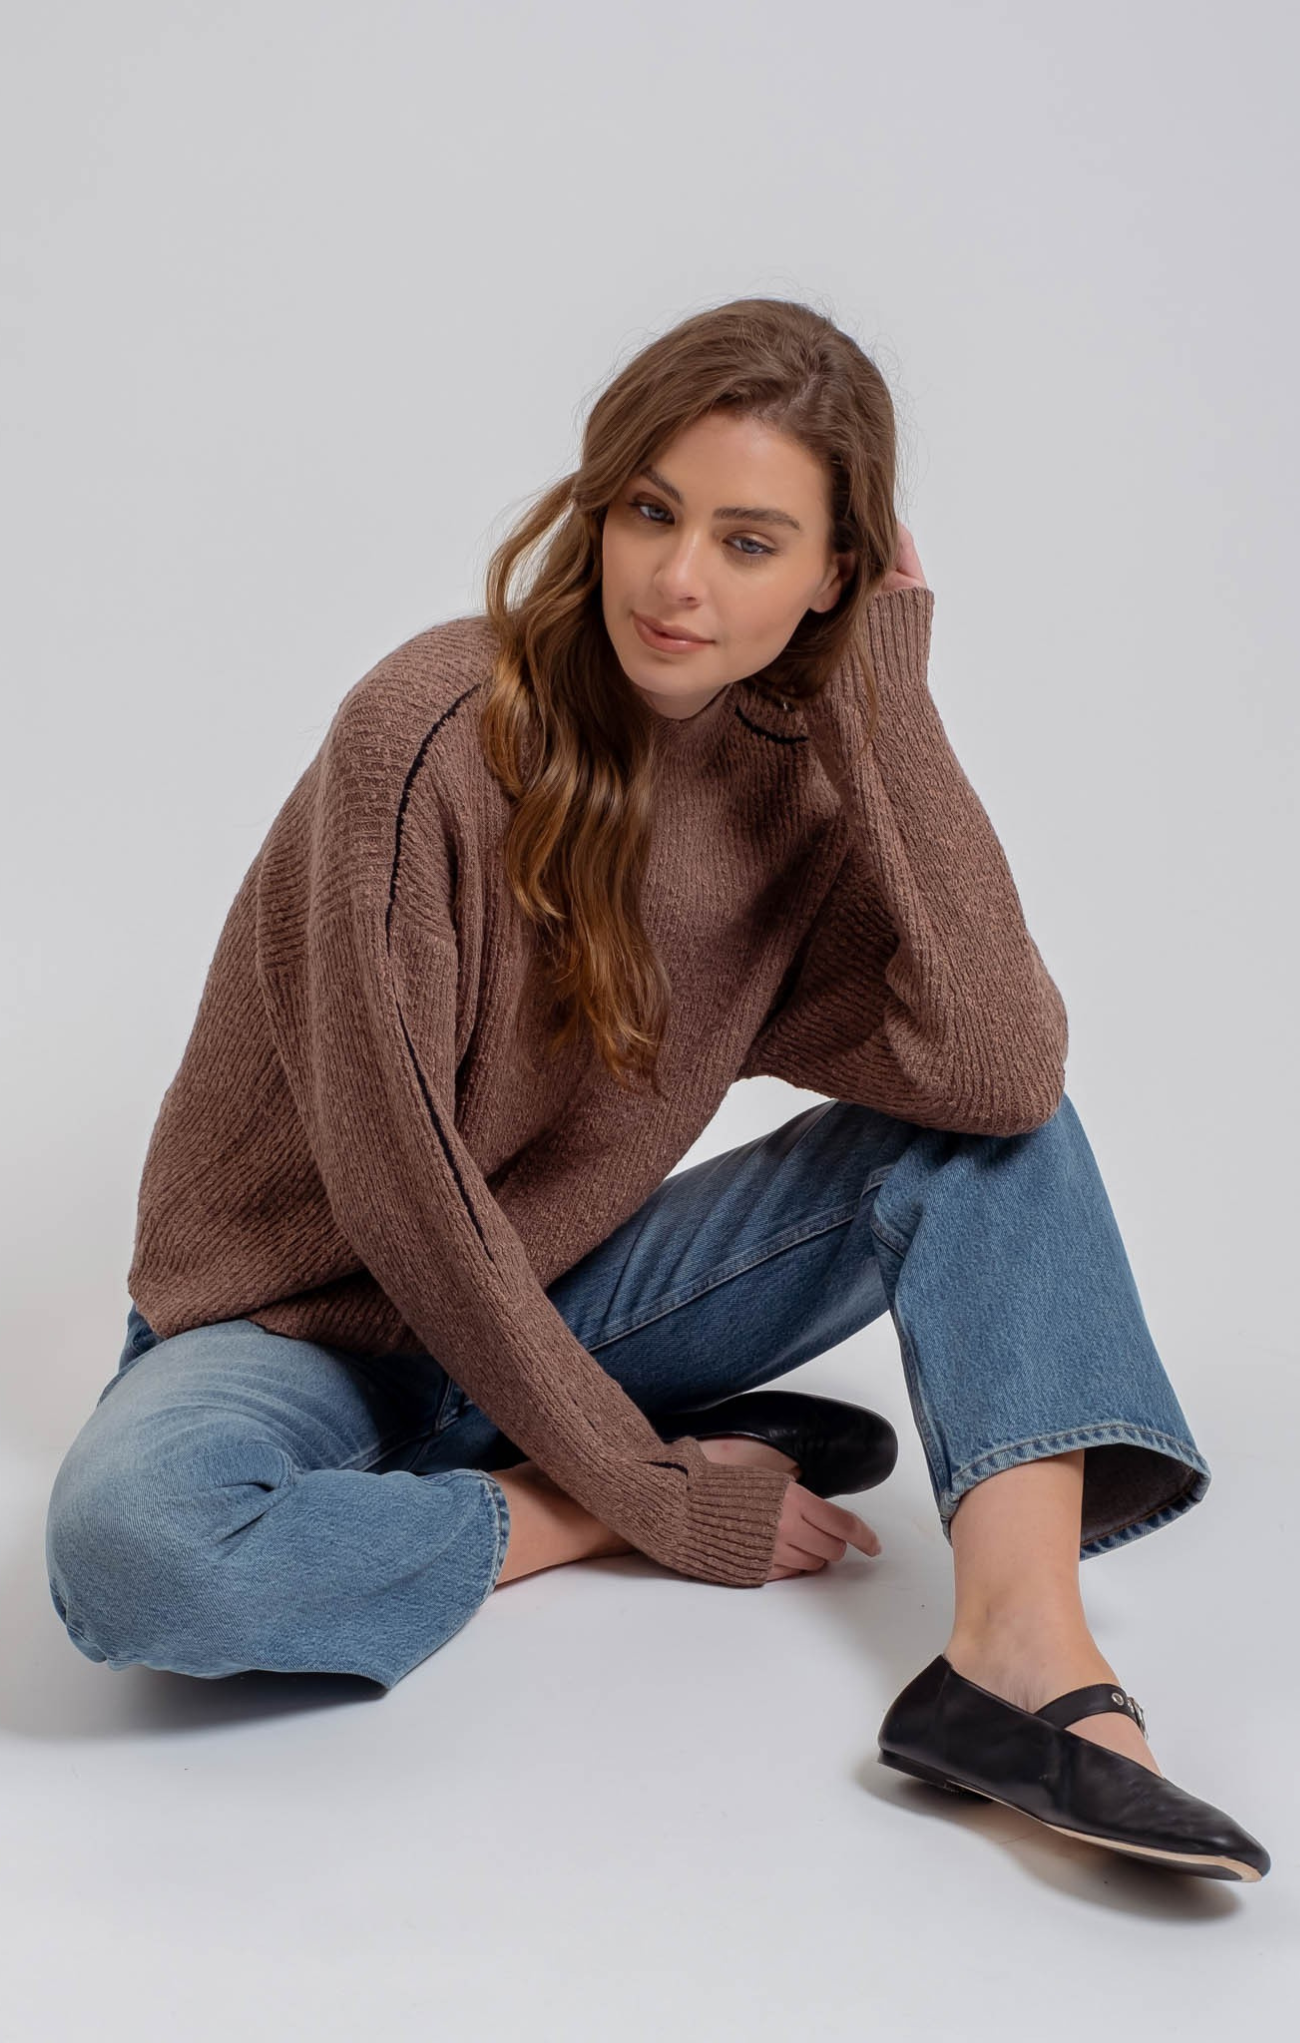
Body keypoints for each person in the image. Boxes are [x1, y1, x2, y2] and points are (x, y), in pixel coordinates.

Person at [44, 297, 1269, 1882]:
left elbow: (996, 1066)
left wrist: (888, 695)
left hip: (556, 1302)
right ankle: (539, 1496)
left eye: (753, 542)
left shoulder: (797, 796)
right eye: (652, 512)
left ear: (836, 574)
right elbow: (403, 1190)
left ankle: (1017, 1659)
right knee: (130, 1552)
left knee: (996, 1136)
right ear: (600, 507)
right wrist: (629, 1497)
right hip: (291, 1335)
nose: (680, 580)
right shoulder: (428, 733)